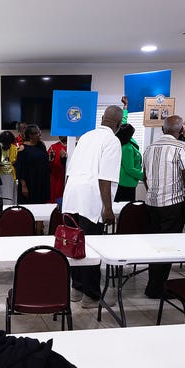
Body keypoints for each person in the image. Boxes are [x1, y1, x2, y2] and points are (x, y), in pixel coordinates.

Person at [62, 106, 123, 307]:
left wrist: (65, 198)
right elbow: (105, 178)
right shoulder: (112, 141)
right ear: (119, 125)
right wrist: (107, 208)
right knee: (90, 250)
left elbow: (69, 171)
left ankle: (76, 289)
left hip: (72, 197)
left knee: (73, 246)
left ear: (103, 119)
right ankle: (92, 296)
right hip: (91, 200)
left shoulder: (86, 136)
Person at [142, 115, 185, 299]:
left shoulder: (149, 148)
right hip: (172, 205)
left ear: (163, 130)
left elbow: (145, 177)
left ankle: (152, 285)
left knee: (155, 246)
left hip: (151, 204)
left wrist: (153, 194)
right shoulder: (182, 147)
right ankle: (157, 289)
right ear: (181, 131)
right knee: (167, 247)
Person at [114, 124, 142, 202]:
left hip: (127, 182)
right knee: (124, 208)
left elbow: (124, 126)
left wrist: (125, 112)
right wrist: (144, 176)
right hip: (126, 183)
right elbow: (129, 169)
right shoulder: (127, 148)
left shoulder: (127, 140)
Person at [0, 131, 18, 205]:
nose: (6, 145)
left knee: (10, 195)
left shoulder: (14, 148)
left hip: (10, 175)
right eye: (4, 143)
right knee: (1, 195)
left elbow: (16, 162)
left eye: (8, 143)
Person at [48, 136, 67, 203]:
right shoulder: (53, 147)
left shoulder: (74, 146)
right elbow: (49, 164)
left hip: (67, 177)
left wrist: (64, 159)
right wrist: (50, 159)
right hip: (56, 177)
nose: (61, 135)